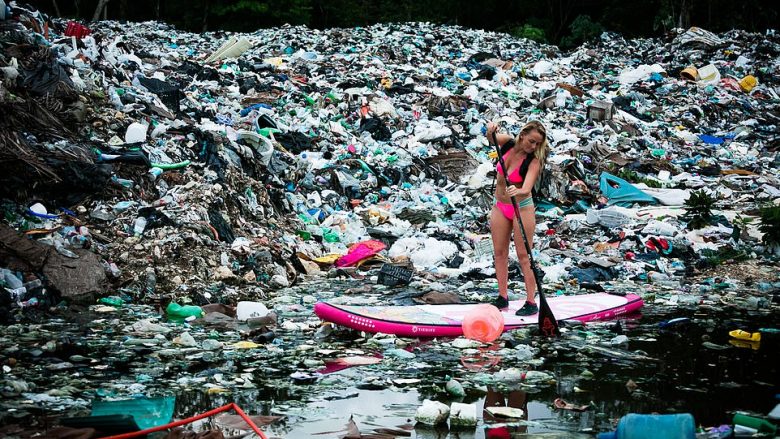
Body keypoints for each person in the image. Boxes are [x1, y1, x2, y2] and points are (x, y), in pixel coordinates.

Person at [486, 120, 549, 316]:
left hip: (521, 207)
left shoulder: (534, 161)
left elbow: (527, 188)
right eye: (531, 141)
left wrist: (518, 190)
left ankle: (531, 301)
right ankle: (502, 297)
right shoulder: (507, 143)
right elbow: (491, 139)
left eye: (538, 144)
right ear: (522, 136)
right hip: (500, 205)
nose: (534, 147)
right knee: (499, 252)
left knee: (524, 255)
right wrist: (490, 131)